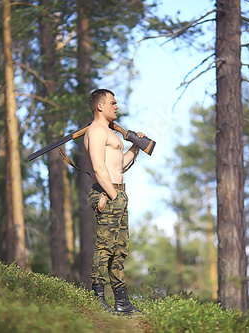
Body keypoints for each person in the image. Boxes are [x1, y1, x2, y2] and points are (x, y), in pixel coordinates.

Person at [83, 89, 144, 315]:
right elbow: (99, 167)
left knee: (119, 249)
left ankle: (122, 302)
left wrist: (135, 148)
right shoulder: (97, 131)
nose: (116, 106)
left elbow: (120, 166)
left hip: (118, 191)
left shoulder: (111, 134)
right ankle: (97, 298)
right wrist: (113, 195)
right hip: (107, 193)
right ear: (100, 107)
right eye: (112, 103)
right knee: (105, 247)